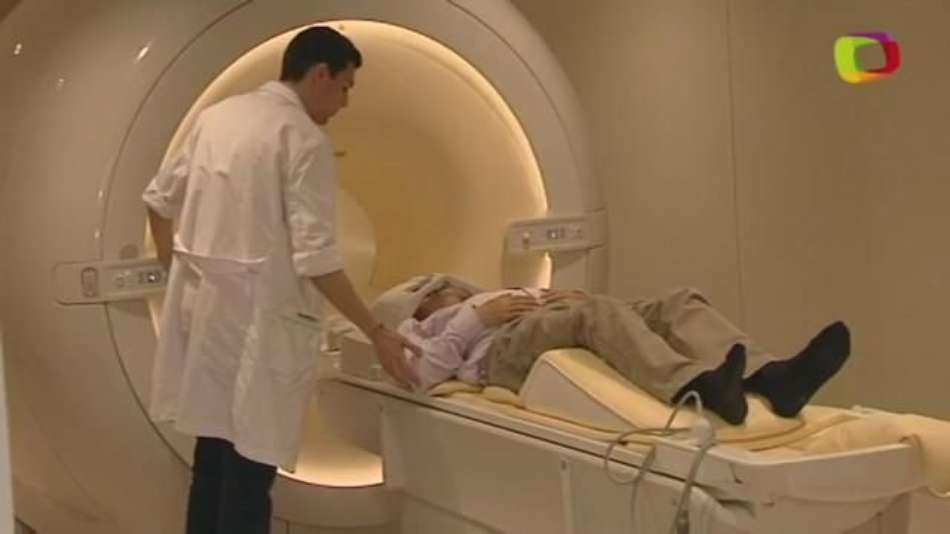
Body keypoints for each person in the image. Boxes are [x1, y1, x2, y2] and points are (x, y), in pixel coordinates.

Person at [142, 26, 419, 534]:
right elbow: (316, 259)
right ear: (320, 75)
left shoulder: (216, 117)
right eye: (345, 87)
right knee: (249, 476)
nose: (344, 103)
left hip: (207, 321)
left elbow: (158, 202)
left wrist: (176, 272)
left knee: (212, 460)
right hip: (261, 330)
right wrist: (376, 332)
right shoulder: (303, 139)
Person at [388, 278, 851, 425]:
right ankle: (698, 387)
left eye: (450, 286)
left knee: (678, 302)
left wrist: (573, 300)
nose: (446, 288)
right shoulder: (418, 327)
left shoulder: (487, 290)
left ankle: (773, 378)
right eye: (436, 291)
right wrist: (475, 318)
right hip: (500, 352)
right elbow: (423, 375)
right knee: (599, 313)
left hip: (547, 319)